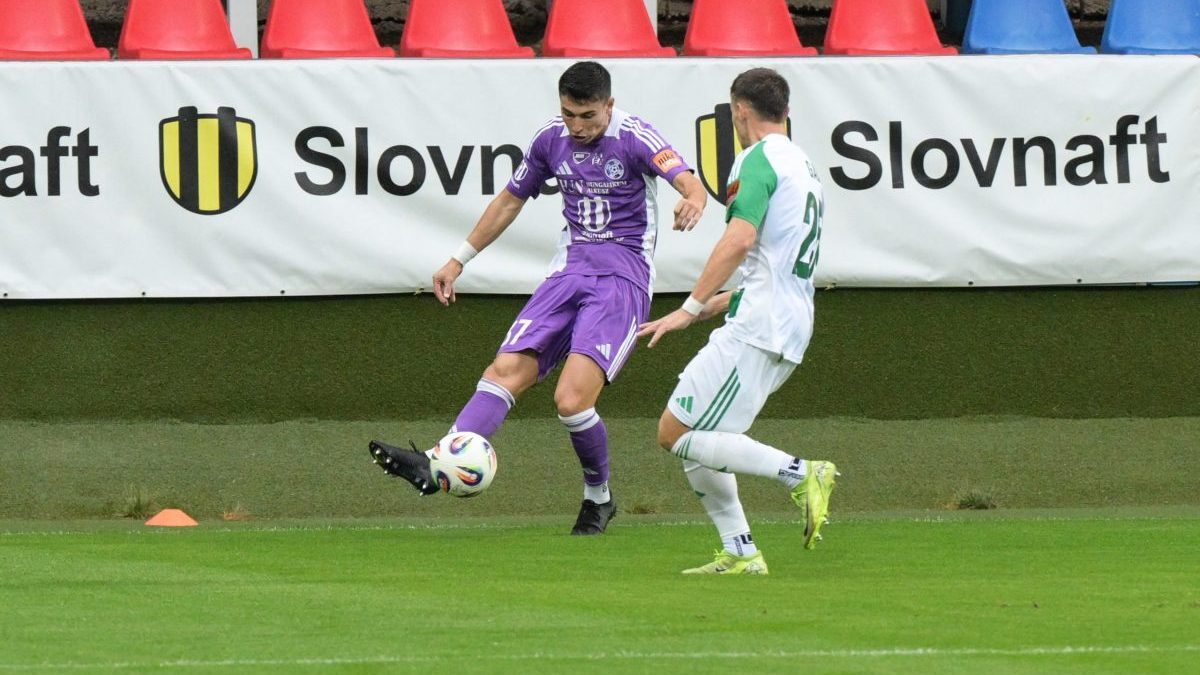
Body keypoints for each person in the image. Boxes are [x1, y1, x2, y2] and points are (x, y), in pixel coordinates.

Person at [369, 61, 707, 535]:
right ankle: (438, 462)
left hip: (622, 280)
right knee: (503, 372)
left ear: (609, 105)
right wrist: (458, 259)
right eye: (569, 114)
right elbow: (509, 200)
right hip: (566, 274)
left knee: (571, 401)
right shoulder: (550, 139)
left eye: (588, 115)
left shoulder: (636, 136)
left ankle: (598, 496)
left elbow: (688, 180)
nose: (578, 126)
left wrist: (692, 198)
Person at [637, 68, 837, 574]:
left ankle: (803, 473)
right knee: (704, 440)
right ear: (785, 112)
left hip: (761, 322)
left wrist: (687, 307)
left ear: (739, 112)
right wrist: (708, 306)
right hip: (784, 317)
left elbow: (740, 239)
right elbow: (771, 264)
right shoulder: (804, 165)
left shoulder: (758, 159)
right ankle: (743, 553)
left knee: (675, 432)